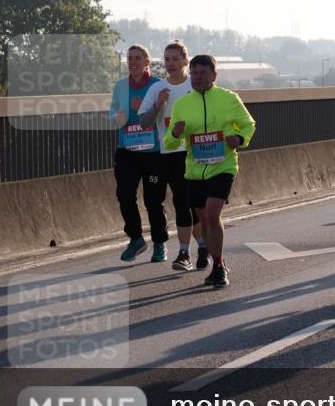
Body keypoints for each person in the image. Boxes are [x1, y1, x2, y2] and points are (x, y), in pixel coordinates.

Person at [165, 55, 256, 287]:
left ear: (213, 75)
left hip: (223, 166)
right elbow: (169, 142)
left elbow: (248, 124)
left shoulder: (228, 98)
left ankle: (218, 266)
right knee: (204, 219)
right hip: (195, 171)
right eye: (194, 73)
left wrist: (240, 138)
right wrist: (175, 133)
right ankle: (215, 258)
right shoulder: (182, 104)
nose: (197, 77)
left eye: (203, 73)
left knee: (213, 214)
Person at [138, 40, 205, 271]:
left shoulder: (194, 86)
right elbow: (144, 122)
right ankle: (195, 249)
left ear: (185, 61)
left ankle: (191, 251)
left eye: (176, 59)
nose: (171, 63)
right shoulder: (157, 88)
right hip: (167, 154)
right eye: (167, 59)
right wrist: (158, 104)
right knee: (181, 203)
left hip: (192, 153)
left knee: (189, 203)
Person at [110, 44, 169, 263]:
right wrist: (116, 118)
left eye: (138, 58)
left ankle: (159, 243)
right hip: (127, 151)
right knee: (125, 195)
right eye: (130, 58)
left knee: (153, 200)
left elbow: (165, 114)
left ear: (147, 62)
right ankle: (136, 239)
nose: (133, 62)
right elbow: (112, 111)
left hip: (153, 153)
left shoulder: (157, 85)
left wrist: (143, 108)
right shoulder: (120, 86)